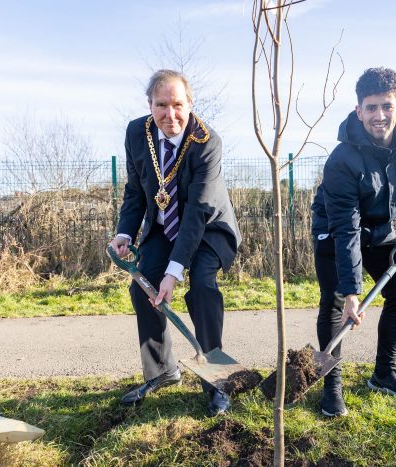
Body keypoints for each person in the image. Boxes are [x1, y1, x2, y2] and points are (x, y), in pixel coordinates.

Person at [109, 69, 241, 416]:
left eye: (178, 104)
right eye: (161, 105)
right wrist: (125, 232)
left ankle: (217, 381)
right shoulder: (137, 133)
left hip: (208, 227)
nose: (171, 115)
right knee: (143, 289)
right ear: (150, 105)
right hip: (163, 228)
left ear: (190, 103)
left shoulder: (207, 141)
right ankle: (163, 371)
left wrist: (175, 271)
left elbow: (198, 210)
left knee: (201, 288)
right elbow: (136, 191)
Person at [311, 67, 396, 417]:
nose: (379, 116)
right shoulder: (341, 160)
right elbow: (346, 229)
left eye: (386, 107)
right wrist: (352, 293)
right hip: (335, 232)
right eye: (371, 107)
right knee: (335, 305)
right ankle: (332, 388)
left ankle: (384, 373)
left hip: (379, 229)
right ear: (359, 109)